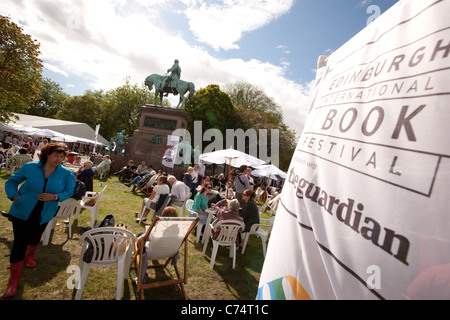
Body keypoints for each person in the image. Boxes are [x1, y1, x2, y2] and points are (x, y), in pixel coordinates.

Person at [3, 142, 76, 298]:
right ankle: (13, 282)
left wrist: (55, 196)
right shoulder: (31, 167)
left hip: (45, 212)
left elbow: (69, 191)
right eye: (56, 155)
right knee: (19, 244)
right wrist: (15, 196)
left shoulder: (67, 174)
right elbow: (11, 182)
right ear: (47, 154)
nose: (59, 159)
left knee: (36, 235)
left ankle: (30, 255)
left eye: (62, 156)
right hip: (22, 210)